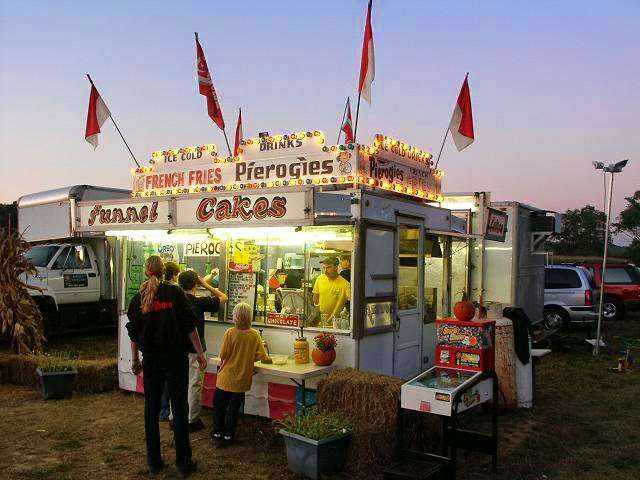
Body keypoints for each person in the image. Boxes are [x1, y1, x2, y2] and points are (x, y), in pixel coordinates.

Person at [126, 255, 206, 478]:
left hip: (151, 360)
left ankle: (154, 462)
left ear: (146, 272)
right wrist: (199, 353)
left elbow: (133, 332)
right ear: (163, 272)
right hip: (175, 358)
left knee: (151, 410)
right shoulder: (175, 293)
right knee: (179, 409)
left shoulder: (138, 298)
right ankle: (183, 462)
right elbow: (190, 326)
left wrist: (134, 359)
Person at [178, 269, 228, 432]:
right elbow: (223, 298)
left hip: (177, 347)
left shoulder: (175, 300)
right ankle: (191, 419)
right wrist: (206, 284)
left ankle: (175, 416)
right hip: (195, 348)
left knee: (178, 383)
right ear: (195, 284)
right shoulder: (198, 302)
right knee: (194, 383)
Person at [212, 302, 267, 447]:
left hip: (225, 377)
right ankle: (229, 435)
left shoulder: (230, 333)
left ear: (235, 317)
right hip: (242, 379)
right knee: (234, 409)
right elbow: (262, 355)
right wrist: (248, 358)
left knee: (219, 405)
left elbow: (223, 354)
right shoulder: (254, 335)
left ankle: (218, 431)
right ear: (249, 317)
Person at [159, 261, 182, 422]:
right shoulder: (176, 291)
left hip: (157, 345)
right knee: (171, 380)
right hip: (171, 345)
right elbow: (188, 324)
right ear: (174, 275)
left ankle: (162, 410)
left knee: (162, 380)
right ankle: (170, 411)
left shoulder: (154, 290)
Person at [312, 256, 350, 322]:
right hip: (320, 322)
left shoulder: (345, 284)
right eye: (324, 268)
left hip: (336, 324)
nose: (325, 271)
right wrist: (317, 310)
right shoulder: (320, 279)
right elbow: (315, 297)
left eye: (328, 267)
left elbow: (353, 302)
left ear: (336, 267)